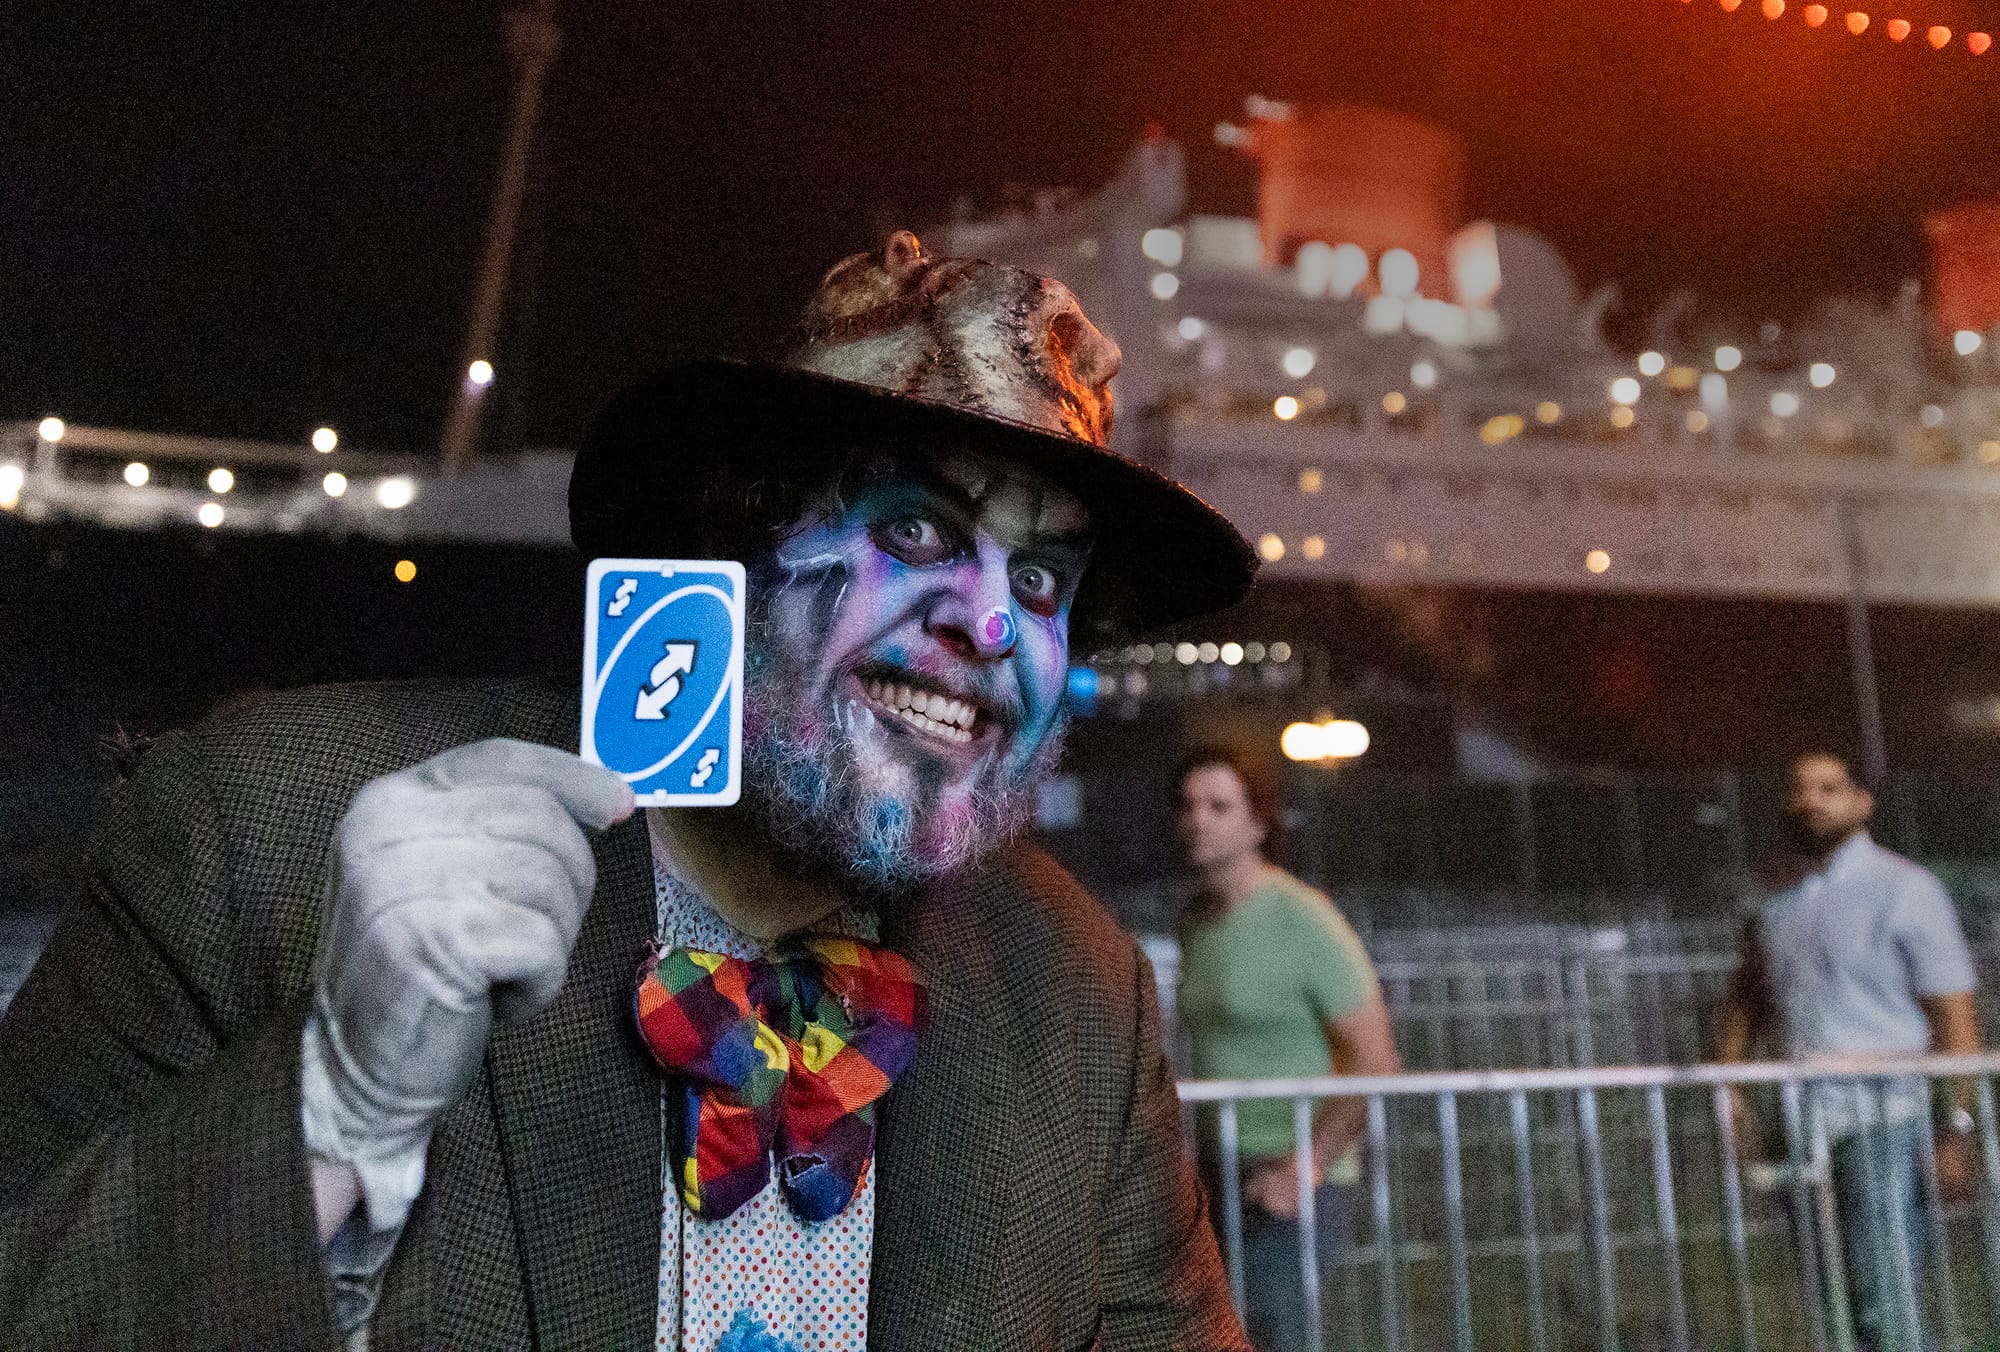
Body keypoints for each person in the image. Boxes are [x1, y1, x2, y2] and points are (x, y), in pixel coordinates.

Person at [0, 231, 1260, 1350]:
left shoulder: (1075, 988)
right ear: (733, 547)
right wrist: (334, 1106)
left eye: (1039, 581)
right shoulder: (256, 831)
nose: (989, 622)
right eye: (917, 530)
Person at [1718, 749, 1983, 1352]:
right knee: (1835, 1303)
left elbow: (1955, 1015)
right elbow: (1746, 999)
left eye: (1829, 788)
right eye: (1800, 789)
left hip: (1885, 1118)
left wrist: (1956, 1126)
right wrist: (1729, 1091)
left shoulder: (1905, 889)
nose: (1811, 800)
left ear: (1863, 803)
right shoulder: (1776, 900)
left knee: (1884, 1301)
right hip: (1802, 1122)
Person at [1173, 744, 1400, 1352]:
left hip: (1290, 1177)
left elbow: (1376, 1057)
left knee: (1275, 1334)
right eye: (1188, 805)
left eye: (1219, 806)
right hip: (1217, 1170)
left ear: (1257, 824)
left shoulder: (1304, 918)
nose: (1197, 819)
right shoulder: (1195, 921)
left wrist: (1308, 1165)